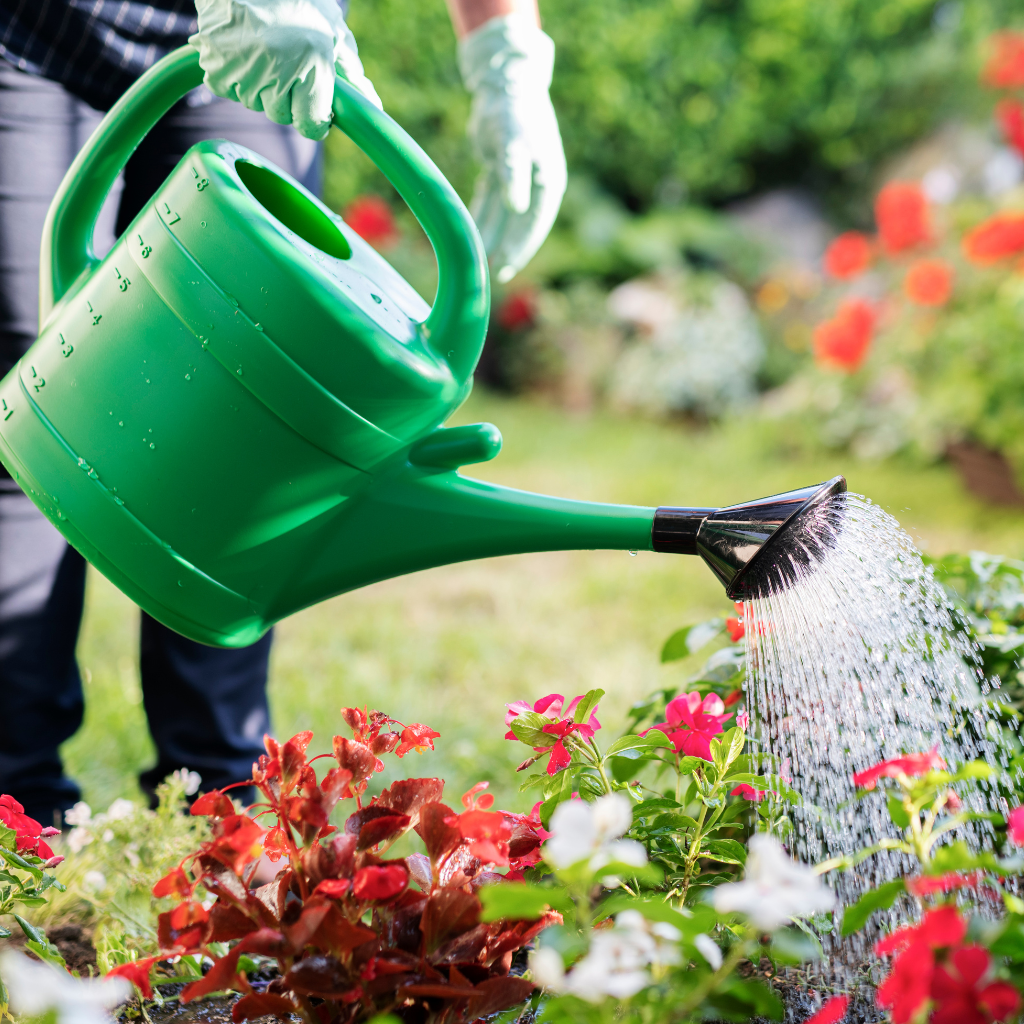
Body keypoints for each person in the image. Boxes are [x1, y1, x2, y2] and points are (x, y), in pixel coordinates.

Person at [0, 0, 566, 826]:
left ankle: (219, 809)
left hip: (271, 34)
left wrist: (505, 55)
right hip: (32, 31)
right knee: (25, 399)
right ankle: (18, 814)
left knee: (255, 413)